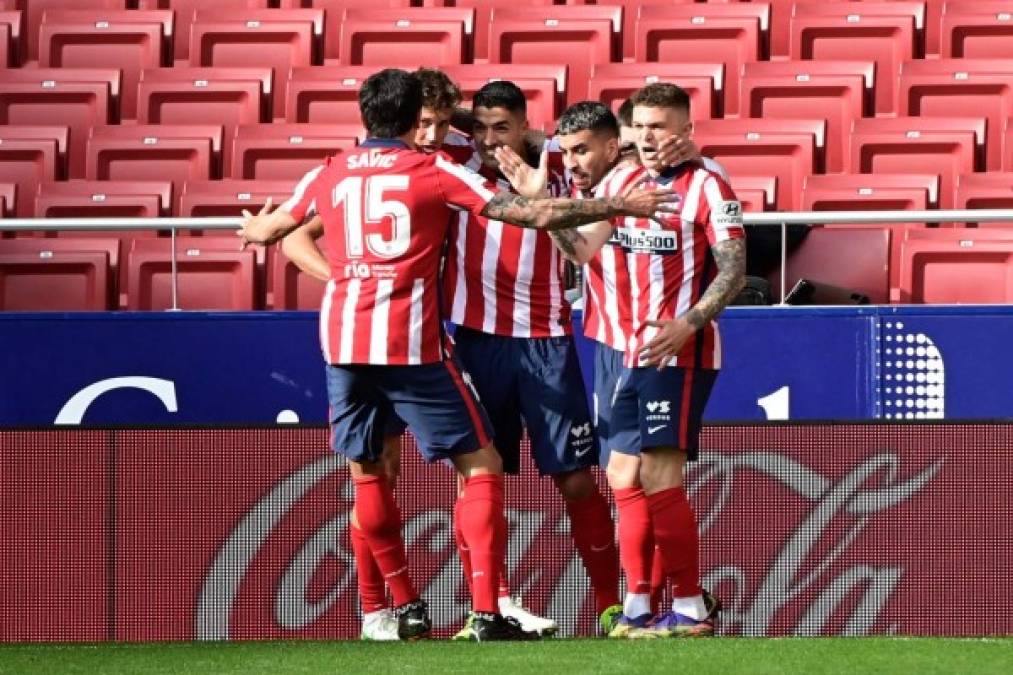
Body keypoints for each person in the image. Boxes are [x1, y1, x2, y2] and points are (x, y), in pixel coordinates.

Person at [238, 68, 683, 642]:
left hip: (545, 342)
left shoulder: (554, 159)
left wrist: (656, 145)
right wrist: (345, 276)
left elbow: (605, 142)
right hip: (470, 340)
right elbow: (305, 231)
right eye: (479, 128)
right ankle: (489, 601)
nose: (490, 138)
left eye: (505, 127)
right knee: (466, 472)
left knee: (572, 478)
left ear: (528, 127)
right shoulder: (446, 163)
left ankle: (605, 607)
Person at [522, 89, 746, 638]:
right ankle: (640, 605)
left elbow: (734, 270)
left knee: (660, 473)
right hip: (618, 349)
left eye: (661, 126)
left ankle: (691, 607)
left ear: (687, 128)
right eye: (641, 125)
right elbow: (579, 251)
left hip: (676, 349)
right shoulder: (620, 184)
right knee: (622, 473)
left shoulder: (708, 185)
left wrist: (687, 324)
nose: (649, 136)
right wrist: (541, 207)